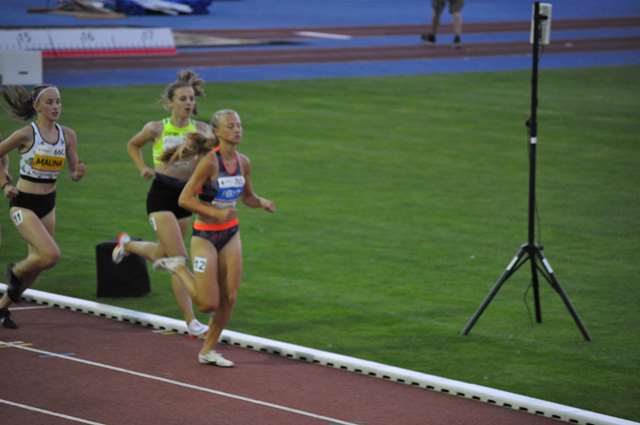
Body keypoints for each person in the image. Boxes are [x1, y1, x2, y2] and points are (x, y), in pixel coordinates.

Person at [154, 109, 276, 367]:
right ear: (217, 131)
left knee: (230, 297)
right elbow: (184, 199)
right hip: (205, 236)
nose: (237, 129)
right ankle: (178, 267)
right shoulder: (210, 162)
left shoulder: (243, 162)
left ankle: (207, 351)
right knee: (208, 304)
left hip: (231, 234)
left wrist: (261, 202)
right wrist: (215, 213)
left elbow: (247, 197)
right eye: (230, 126)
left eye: (239, 125)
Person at [111, 70, 210, 337]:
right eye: (183, 99)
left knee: (162, 255)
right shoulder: (156, 128)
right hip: (161, 196)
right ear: (170, 103)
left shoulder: (202, 130)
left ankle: (127, 244)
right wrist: (142, 167)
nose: (188, 103)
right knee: (178, 259)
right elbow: (133, 145)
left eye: (191, 98)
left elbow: (210, 160)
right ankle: (191, 321)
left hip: (185, 198)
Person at [0, 85, 86, 329]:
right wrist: (5, 183)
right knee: (50, 255)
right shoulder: (25, 134)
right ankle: (15, 271)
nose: (55, 106)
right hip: (23, 204)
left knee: (38, 264)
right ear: (37, 106)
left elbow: (73, 171)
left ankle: (2, 307)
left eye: (58, 101)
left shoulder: (68, 135)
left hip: (48, 204)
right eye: (49, 102)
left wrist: (78, 172)